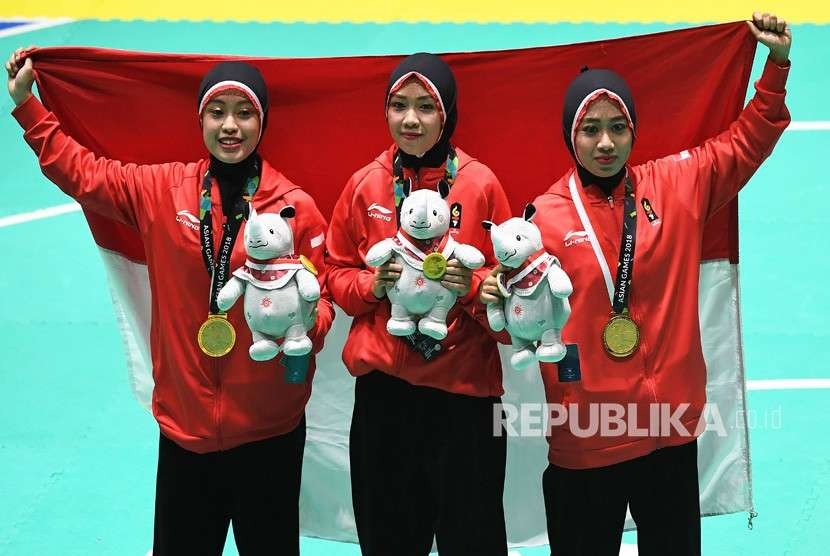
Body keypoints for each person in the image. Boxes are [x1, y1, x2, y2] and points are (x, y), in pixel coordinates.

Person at [479, 11, 792, 556]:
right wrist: (494, 298)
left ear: (633, 131)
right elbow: (517, 330)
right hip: (586, 442)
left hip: (667, 434)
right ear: (569, 135)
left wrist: (777, 64)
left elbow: (748, 140)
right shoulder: (541, 221)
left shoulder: (675, 185)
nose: (606, 143)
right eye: (590, 128)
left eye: (617, 127)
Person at [7, 51, 333, 555]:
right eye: (217, 112)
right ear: (199, 119)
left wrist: (309, 326)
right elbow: (82, 173)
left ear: (261, 122)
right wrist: (28, 105)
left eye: (244, 113)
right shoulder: (161, 190)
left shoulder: (294, 207)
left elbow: (324, 296)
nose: (230, 126)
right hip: (186, 431)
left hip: (270, 430)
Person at [325, 52, 512, 555]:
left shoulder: (481, 185)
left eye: (426, 107)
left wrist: (471, 287)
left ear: (447, 113)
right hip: (386, 404)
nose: (410, 119)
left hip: (465, 403)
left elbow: (510, 304)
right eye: (399, 105)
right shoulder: (366, 185)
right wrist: (371, 286)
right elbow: (334, 273)